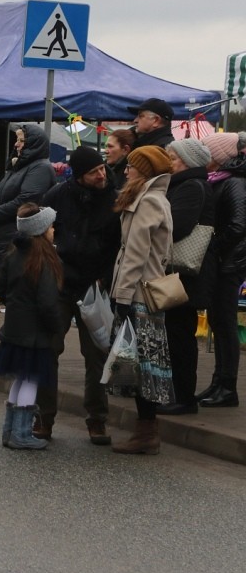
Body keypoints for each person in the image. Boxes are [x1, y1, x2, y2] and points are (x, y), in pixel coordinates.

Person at [38, 145, 121, 444]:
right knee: (48, 349)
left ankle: (97, 419)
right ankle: (43, 417)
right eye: (93, 172)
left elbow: (118, 246)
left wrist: (107, 278)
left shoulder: (114, 199)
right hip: (61, 284)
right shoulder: (58, 195)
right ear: (78, 175)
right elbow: (40, 232)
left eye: (101, 168)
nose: (101, 175)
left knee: (97, 355)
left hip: (95, 287)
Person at [107, 146, 175, 455]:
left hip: (138, 294)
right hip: (144, 290)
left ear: (144, 171)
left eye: (132, 167)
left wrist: (122, 295)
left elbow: (136, 252)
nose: (125, 171)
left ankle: (147, 432)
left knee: (142, 365)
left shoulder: (148, 201)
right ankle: (146, 431)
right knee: (141, 363)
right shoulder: (155, 198)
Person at [0, 204, 63, 450]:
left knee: (19, 379)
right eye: (51, 226)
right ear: (41, 230)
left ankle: (9, 430)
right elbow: (47, 301)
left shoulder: (14, 254)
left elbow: (1, 289)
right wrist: (56, 326)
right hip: (35, 332)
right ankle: (21, 433)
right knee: (31, 380)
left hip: (14, 327)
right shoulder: (43, 260)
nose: (54, 230)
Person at [158, 138, 215, 415]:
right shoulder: (184, 184)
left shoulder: (190, 187)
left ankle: (183, 397)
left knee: (180, 335)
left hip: (185, 276)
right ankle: (178, 394)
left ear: (186, 161)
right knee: (176, 333)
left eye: (173, 157)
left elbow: (177, 227)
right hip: (180, 276)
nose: (169, 161)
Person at [199, 133, 246, 408]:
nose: (205, 154)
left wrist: (214, 246)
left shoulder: (235, 182)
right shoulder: (222, 180)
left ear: (219, 154)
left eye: (208, 150)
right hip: (224, 261)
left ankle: (227, 387)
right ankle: (218, 382)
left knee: (225, 324)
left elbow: (240, 224)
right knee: (218, 322)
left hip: (230, 263)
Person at [0, 124, 56, 276]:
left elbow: (26, 200)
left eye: (22, 141)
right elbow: (2, 197)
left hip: (18, 235)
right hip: (6, 232)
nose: (16, 144)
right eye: (17, 140)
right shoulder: (18, 167)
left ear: (34, 143)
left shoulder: (40, 168)